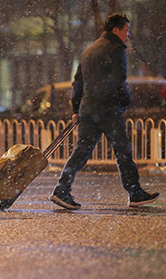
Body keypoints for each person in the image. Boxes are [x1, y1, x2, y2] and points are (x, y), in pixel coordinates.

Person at [49, 13, 159, 210]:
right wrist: (125, 101)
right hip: (108, 109)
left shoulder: (89, 51)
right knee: (122, 150)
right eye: (126, 30)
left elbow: (78, 83)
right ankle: (134, 192)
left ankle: (62, 188)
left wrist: (76, 108)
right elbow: (119, 80)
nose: (128, 35)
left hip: (88, 108)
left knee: (81, 150)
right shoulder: (116, 49)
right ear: (115, 30)